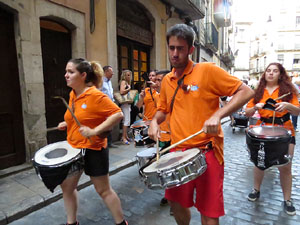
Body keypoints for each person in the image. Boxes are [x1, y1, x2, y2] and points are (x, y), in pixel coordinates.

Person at [149, 24, 254, 225]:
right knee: (176, 205)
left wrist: (218, 115)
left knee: (209, 212)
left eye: (180, 48)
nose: (175, 53)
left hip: (208, 151)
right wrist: (154, 122)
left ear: (190, 50)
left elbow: (246, 91)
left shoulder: (207, 70)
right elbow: (163, 110)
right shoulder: (167, 80)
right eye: (172, 48)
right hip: (177, 153)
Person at [57, 58, 128, 225]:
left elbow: (118, 114)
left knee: (103, 190)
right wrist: (67, 123)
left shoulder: (95, 95)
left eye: (71, 72)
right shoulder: (73, 94)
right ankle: (71, 222)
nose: (66, 75)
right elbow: (82, 117)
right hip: (74, 148)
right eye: (66, 71)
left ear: (83, 75)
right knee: (67, 188)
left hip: (93, 149)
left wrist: (94, 131)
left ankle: (121, 223)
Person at [245, 62, 300, 216]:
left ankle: (287, 199)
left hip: (285, 129)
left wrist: (287, 105)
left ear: (280, 74)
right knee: (259, 162)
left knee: (286, 166)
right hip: (263, 129)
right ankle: (256, 189)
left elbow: (298, 111)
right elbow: (247, 112)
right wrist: (256, 107)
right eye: (268, 70)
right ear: (265, 73)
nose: (270, 73)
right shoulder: (258, 91)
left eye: (275, 71)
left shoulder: (289, 90)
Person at [101, 65, 118, 148]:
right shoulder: (100, 82)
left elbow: (110, 94)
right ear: (106, 72)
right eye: (111, 71)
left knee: (110, 124)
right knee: (105, 125)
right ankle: (105, 143)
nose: (113, 73)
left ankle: (110, 142)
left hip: (110, 106)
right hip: (103, 107)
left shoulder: (109, 81)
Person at [119, 70, 133, 145]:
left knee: (125, 120)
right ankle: (123, 137)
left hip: (127, 103)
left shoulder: (126, 82)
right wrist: (128, 89)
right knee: (126, 120)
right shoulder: (123, 82)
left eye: (129, 75)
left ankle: (125, 136)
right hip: (124, 103)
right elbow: (122, 91)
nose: (129, 76)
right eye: (127, 75)